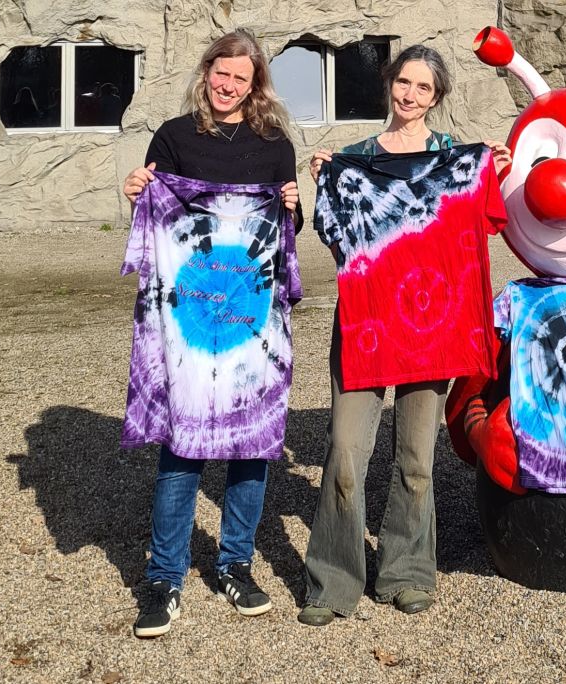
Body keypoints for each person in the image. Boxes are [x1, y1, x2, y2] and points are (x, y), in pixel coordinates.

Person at [298, 44, 510, 627]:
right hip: (366, 325)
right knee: (345, 451)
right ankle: (333, 580)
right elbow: (333, 234)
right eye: (403, 83)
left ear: (436, 97)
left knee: (416, 457)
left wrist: (492, 170)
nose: (410, 96)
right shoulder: (356, 158)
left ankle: (408, 572)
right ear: (389, 84)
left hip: (429, 327)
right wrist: (328, 180)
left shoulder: (453, 158)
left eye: (423, 88)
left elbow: (488, 220)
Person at [122, 29, 302, 638]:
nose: (228, 86)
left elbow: (285, 230)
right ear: (206, 73)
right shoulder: (174, 137)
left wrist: (293, 205)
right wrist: (137, 195)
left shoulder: (274, 144)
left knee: (251, 440)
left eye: (241, 79)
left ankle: (234, 564)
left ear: (256, 87)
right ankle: (164, 575)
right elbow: (160, 224)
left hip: (253, 313)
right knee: (185, 438)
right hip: (189, 315)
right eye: (221, 74)